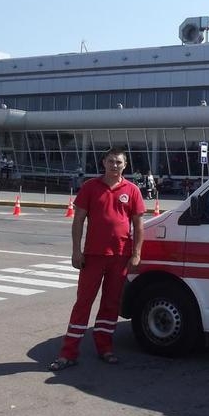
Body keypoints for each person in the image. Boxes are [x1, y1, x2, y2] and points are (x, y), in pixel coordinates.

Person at [49, 147, 145, 371]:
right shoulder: (90, 187)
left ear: (125, 166)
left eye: (119, 162)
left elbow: (139, 225)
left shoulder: (132, 190)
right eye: (111, 161)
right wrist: (76, 250)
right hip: (92, 256)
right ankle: (68, 353)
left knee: (111, 304)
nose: (114, 165)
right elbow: (78, 220)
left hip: (120, 256)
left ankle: (105, 348)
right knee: (83, 302)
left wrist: (137, 253)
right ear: (103, 162)